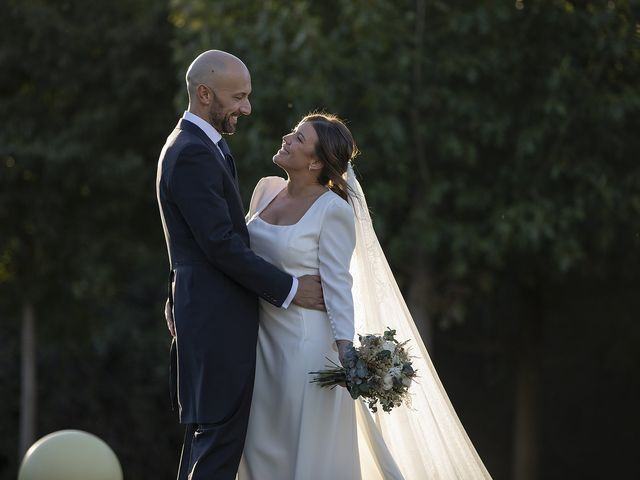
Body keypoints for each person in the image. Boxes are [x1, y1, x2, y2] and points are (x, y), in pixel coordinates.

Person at [238, 113, 493, 479]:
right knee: (256, 451)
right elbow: (242, 262)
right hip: (257, 343)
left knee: (299, 454)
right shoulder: (265, 190)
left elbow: (339, 286)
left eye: (298, 137)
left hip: (303, 353)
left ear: (315, 161)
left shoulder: (333, 211)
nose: (286, 138)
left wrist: (347, 353)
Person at [156, 50, 325, 480]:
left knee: (205, 445)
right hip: (216, 324)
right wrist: (289, 288)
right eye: (239, 97)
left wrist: (177, 290)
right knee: (217, 450)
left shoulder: (202, 146)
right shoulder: (193, 152)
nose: (247, 108)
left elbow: (192, 242)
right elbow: (219, 245)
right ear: (205, 94)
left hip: (206, 315)